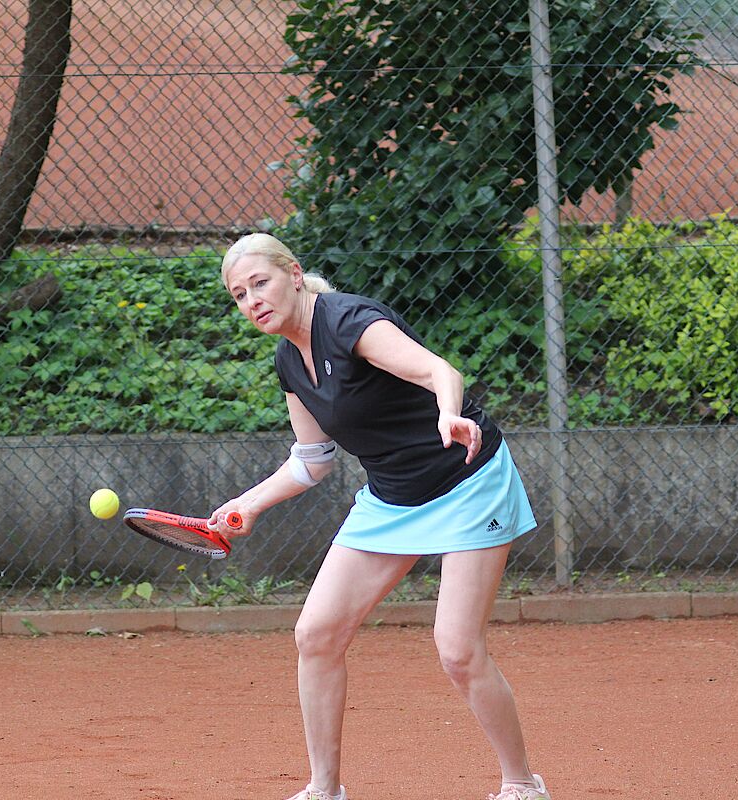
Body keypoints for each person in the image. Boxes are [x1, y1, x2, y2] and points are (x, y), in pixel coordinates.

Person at [209, 233, 551, 800]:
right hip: (392, 497)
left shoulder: (349, 323)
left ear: (293, 274)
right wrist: (248, 503)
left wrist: (448, 415)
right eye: (240, 295)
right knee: (316, 634)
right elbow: (313, 459)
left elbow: (440, 372)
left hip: (467, 480)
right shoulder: (289, 359)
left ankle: (522, 784)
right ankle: (324, 789)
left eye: (260, 283)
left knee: (458, 649)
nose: (253, 301)